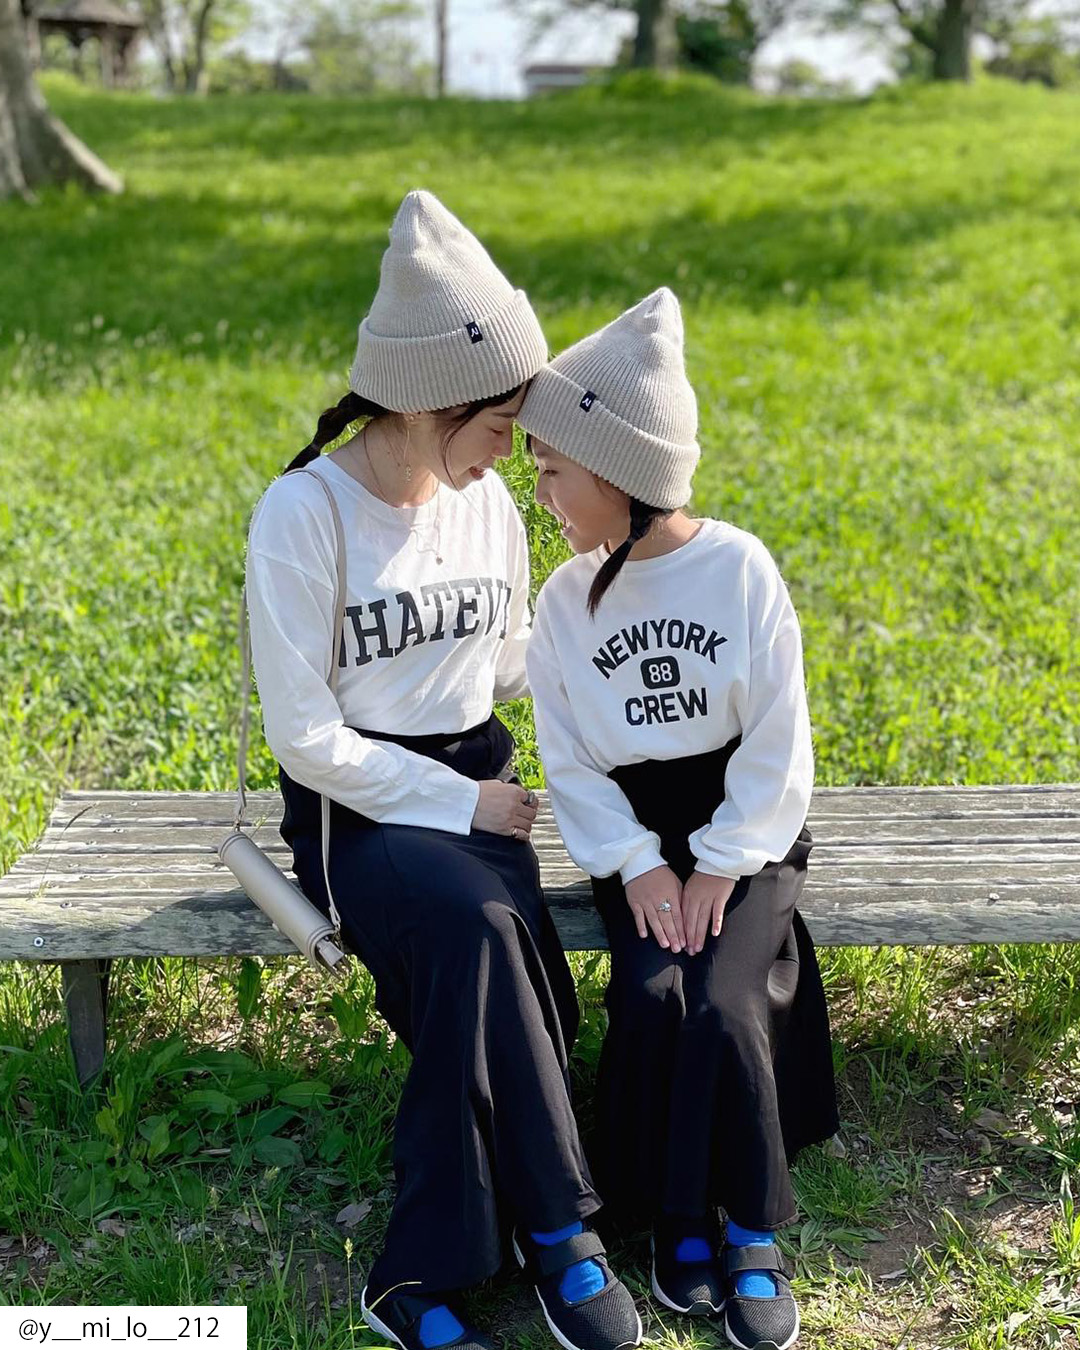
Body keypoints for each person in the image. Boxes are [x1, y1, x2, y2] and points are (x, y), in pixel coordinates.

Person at [244, 190, 641, 1350]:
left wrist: (603, 636)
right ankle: (563, 1232)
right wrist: (462, 803)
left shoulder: (489, 510)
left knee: (485, 955)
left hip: (478, 790)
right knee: (479, 930)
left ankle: (419, 1276)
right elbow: (304, 738)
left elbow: (502, 664)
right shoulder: (305, 514)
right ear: (428, 401)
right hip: (357, 813)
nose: (515, 450)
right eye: (502, 423)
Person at [520, 287, 841, 1350]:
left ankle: (751, 1226)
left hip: (746, 830)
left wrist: (721, 861)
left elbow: (778, 742)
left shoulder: (738, 569)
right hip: (637, 837)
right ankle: (673, 1218)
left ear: (619, 471)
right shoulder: (564, 601)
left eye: (554, 471)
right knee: (655, 995)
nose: (543, 493)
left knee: (726, 1001)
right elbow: (570, 758)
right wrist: (635, 862)